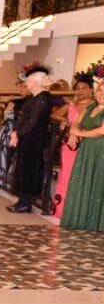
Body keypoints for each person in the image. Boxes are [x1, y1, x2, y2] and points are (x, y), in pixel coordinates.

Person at [7, 66, 54, 213]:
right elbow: (26, 119)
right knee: (23, 167)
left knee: (29, 168)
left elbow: (33, 121)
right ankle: (23, 201)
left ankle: (25, 202)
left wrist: (17, 133)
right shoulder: (35, 97)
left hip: (34, 139)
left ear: (36, 82)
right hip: (28, 136)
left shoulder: (43, 98)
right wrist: (17, 132)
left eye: (28, 80)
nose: (26, 83)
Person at [60, 81, 104, 231]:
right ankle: (82, 219)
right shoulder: (92, 106)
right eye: (100, 91)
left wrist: (80, 133)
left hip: (101, 151)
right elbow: (76, 121)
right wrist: (73, 132)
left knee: (97, 183)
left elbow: (102, 131)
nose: (101, 94)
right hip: (87, 149)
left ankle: (95, 222)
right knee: (84, 181)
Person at [54, 74, 94, 218]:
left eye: (84, 88)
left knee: (80, 175)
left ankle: (76, 210)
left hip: (86, 144)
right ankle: (62, 208)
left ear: (91, 90)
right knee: (66, 173)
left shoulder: (95, 106)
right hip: (68, 145)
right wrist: (64, 119)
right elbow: (54, 114)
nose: (81, 91)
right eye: (78, 88)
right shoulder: (71, 105)